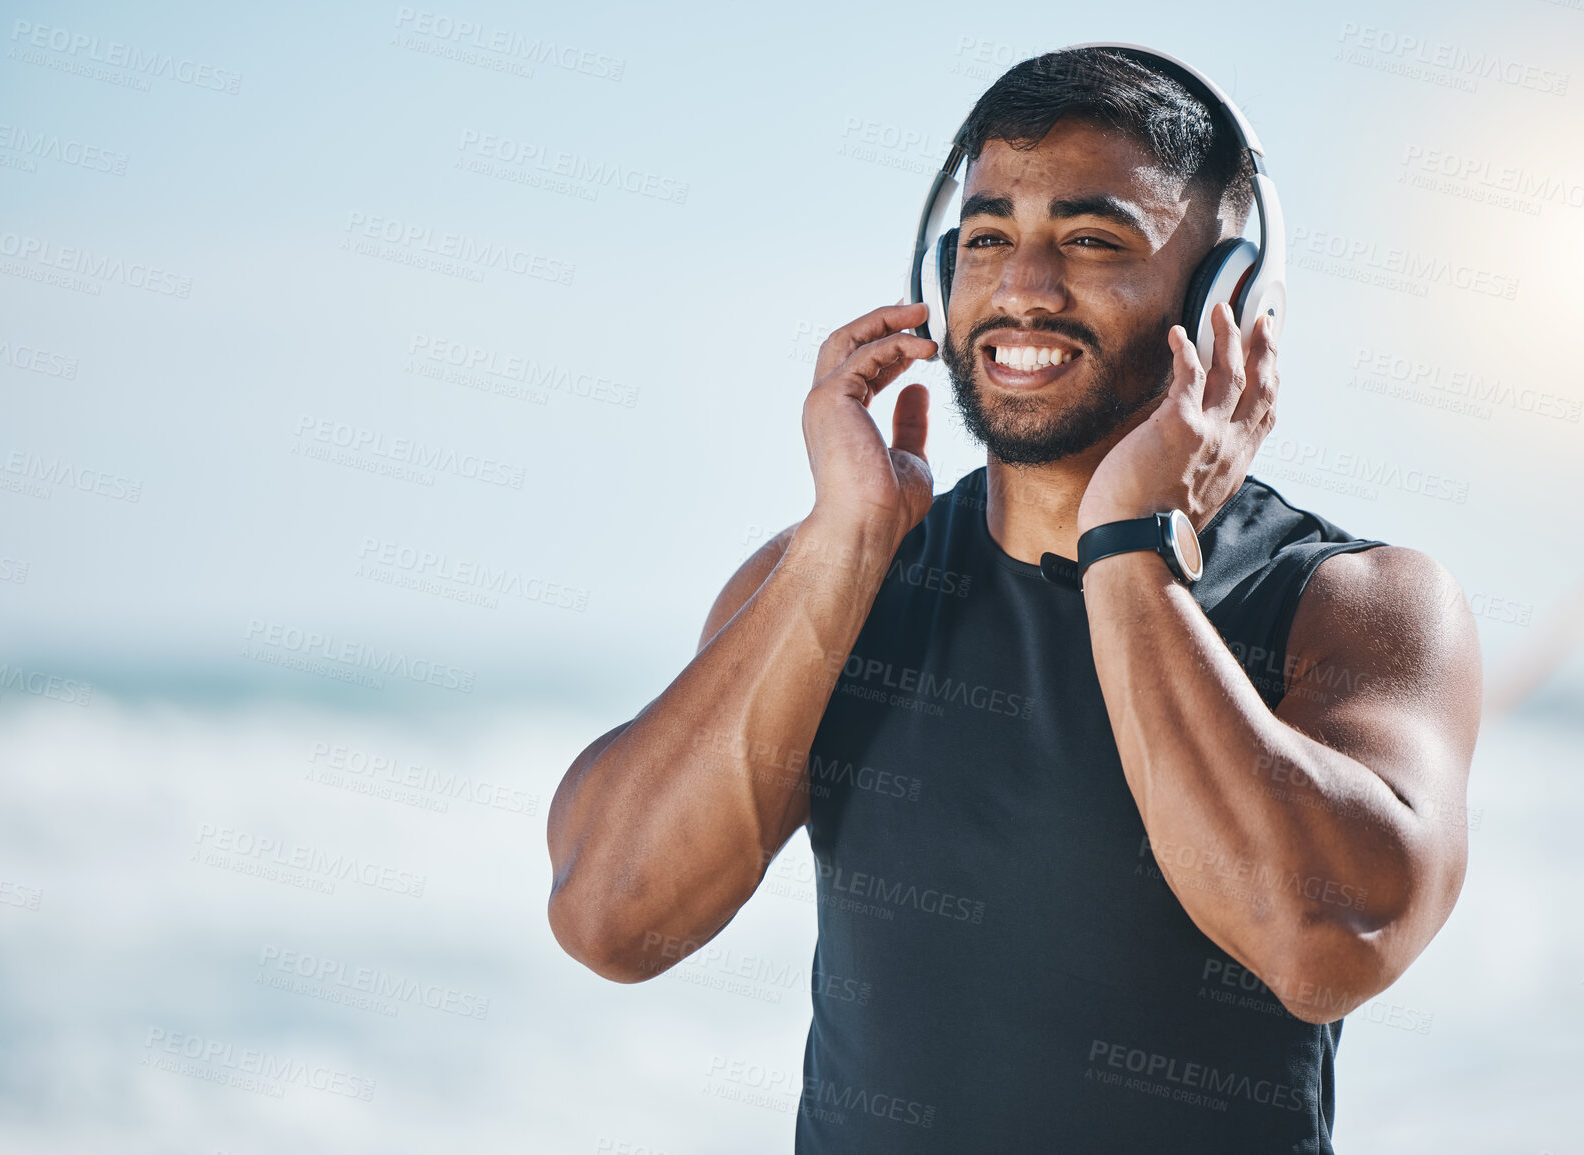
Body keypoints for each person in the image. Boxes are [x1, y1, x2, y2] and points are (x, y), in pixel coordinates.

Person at [546, 46, 1481, 1153]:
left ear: (1225, 294)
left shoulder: (1354, 604)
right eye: (988, 238)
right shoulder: (839, 576)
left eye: (1092, 240)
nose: (1024, 286)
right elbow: (612, 917)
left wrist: (1128, 548)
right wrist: (841, 546)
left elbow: (1327, 945)